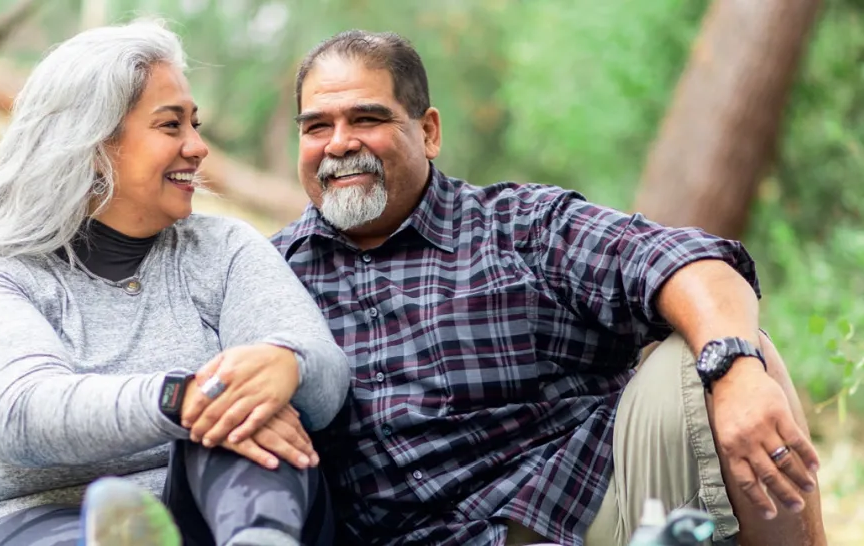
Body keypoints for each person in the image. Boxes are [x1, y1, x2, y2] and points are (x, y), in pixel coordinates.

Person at [270, 30, 828, 546]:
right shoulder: (271, 276)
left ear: (428, 131)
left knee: (713, 353)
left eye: (367, 118)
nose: (339, 144)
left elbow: (688, 260)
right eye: (317, 126)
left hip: (591, 516)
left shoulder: (520, 227)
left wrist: (734, 367)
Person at [0, 20, 349, 546]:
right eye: (171, 126)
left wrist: (288, 365)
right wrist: (179, 400)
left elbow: (326, 377)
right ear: (93, 143)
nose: (198, 147)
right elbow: (16, 410)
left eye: (195, 124)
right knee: (219, 400)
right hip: (47, 521)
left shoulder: (223, 249)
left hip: (230, 516)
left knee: (243, 404)